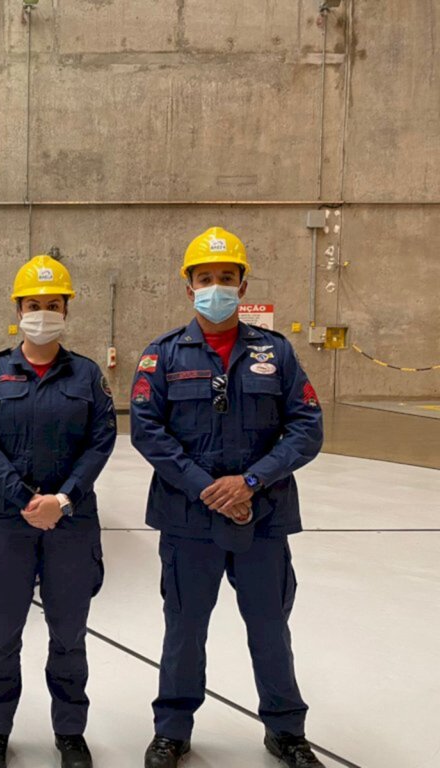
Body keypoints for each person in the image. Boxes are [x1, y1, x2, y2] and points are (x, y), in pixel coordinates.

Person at [131, 228, 325, 768]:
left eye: (225, 278)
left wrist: (250, 483)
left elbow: (307, 427)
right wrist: (206, 487)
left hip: (262, 518)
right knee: (184, 628)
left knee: (269, 625)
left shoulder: (277, 353)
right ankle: (172, 730)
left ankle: (286, 732)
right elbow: (148, 431)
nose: (215, 286)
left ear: (243, 285)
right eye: (204, 278)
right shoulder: (162, 356)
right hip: (188, 519)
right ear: (187, 285)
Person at [0, 255, 116, 768]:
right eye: (34, 305)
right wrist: (24, 498)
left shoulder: (88, 375)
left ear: (66, 310)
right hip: (9, 523)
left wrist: (64, 498)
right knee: (2, 631)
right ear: (18, 309)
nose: (43, 313)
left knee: (69, 632)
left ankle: (70, 731)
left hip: (70, 523)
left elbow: (101, 440)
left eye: (53, 305)